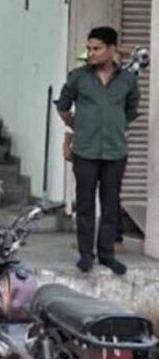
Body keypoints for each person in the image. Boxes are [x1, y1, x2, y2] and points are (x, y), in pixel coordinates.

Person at [57, 26, 140, 275]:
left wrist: (114, 125)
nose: (91, 53)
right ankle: (86, 254)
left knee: (110, 204)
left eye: (97, 48)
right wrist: (76, 128)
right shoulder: (78, 77)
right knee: (84, 204)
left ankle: (107, 254)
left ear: (112, 49)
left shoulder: (128, 79)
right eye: (89, 48)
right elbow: (63, 106)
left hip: (115, 151)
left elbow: (131, 111)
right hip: (85, 150)